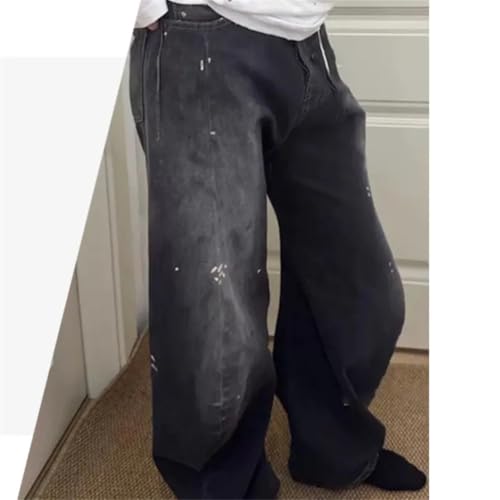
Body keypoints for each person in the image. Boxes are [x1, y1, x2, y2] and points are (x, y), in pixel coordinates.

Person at [129, 1, 427, 498]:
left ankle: (333, 448)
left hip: (305, 39)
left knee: (359, 288)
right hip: (196, 34)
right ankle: (225, 488)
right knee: (214, 323)